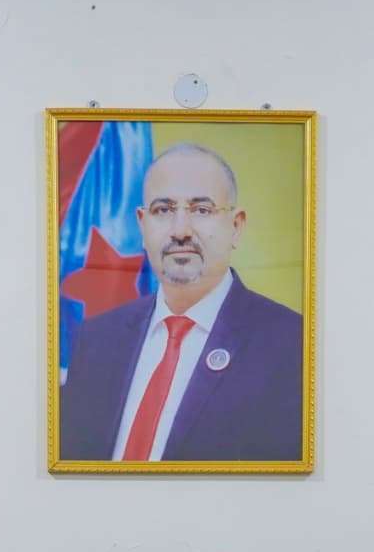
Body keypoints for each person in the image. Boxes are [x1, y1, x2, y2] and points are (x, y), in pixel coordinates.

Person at [57, 143, 304, 464]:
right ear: (142, 225)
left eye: (201, 210)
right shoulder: (96, 338)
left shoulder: (292, 345)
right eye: (163, 210)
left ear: (236, 226)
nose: (180, 231)